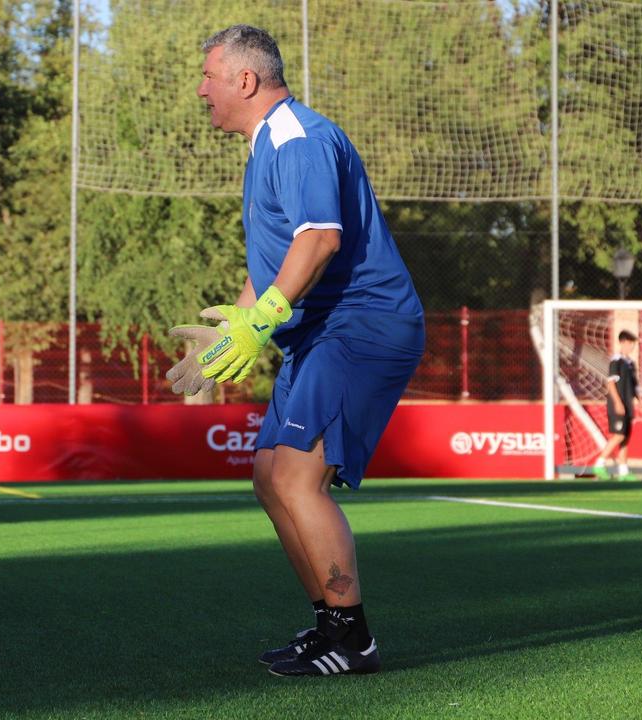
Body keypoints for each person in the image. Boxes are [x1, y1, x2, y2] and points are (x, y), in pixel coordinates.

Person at [169, 25, 424, 677]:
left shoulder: (295, 138)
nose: (201, 89)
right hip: (321, 333)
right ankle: (330, 627)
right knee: (268, 476)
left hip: (360, 325)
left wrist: (260, 324)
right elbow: (276, 260)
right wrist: (231, 329)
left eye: (208, 76)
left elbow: (319, 240)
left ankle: (352, 640)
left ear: (245, 79)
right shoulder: (266, 146)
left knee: (295, 478)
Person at [592, 329, 642, 481]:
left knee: (625, 437)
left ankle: (623, 472)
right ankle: (599, 464)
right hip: (618, 405)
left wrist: (640, 401)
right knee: (619, 435)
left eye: (633, 343)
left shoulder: (630, 363)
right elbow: (610, 383)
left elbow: (634, 385)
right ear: (622, 343)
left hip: (628, 405)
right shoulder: (616, 361)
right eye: (630, 343)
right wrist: (617, 402)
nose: (632, 346)